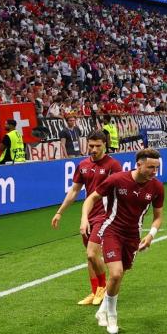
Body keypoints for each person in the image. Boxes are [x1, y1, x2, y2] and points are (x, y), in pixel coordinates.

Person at [82, 149, 165, 334]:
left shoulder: (157, 188)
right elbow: (91, 198)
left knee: (118, 276)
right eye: (151, 167)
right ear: (139, 164)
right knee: (117, 273)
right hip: (111, 230)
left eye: (157, 168)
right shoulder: (117, 180)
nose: (154, 171)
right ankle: (112, 316)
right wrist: (84, 219)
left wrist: (151, 235)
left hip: (133, 236)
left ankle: (102, 310)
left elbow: (158, 217)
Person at [52, 130, 123, 306]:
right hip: (88, 215)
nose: (93, 149)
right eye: (91, 146)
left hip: (105, 216)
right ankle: (94, 292)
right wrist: (60, 212)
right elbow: (74, 190)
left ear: (105, 145)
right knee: (89, 256)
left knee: (92, 254)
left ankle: (103, 288)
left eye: (98, 146)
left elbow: (121, 190)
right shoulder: (83, 165)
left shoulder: (113, 165)